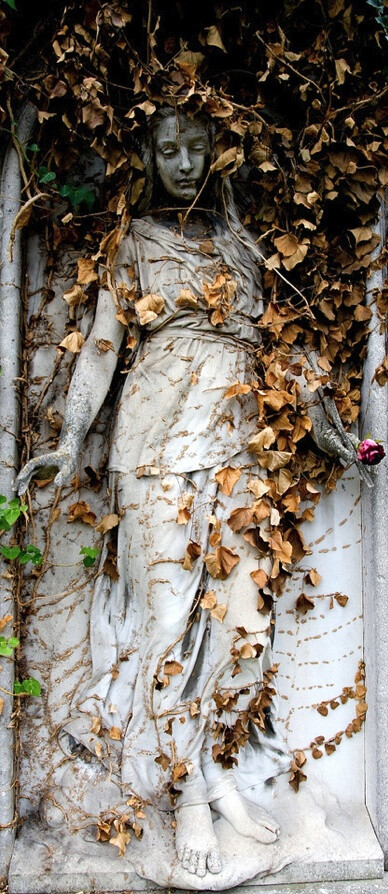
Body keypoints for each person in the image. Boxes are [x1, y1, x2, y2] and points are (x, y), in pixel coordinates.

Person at [16, 107, 363, 879]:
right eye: (166, 147)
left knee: (246, 629)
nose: (180, 160)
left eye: (195, 147)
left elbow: (283, 352)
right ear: (147, 153)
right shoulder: (135, 241)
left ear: (217, 154)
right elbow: (104, 345)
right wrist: (71, 438)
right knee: (169, 628)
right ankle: (192, 799)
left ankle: (211, 771)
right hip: (154, 448)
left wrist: (331, 428)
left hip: (239, 452)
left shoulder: (243, 247)